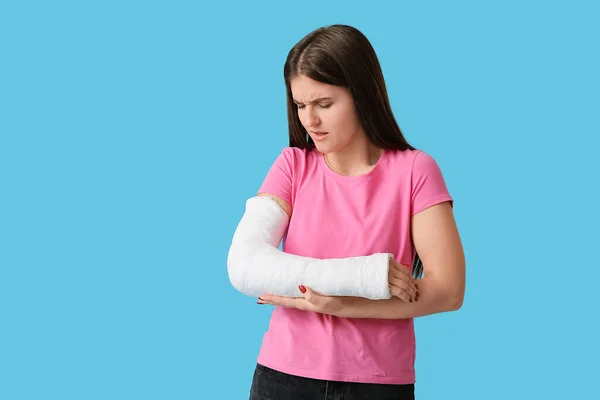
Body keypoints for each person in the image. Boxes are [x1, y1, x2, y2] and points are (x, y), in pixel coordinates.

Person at [228, 24, 466, 400]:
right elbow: (245, 262)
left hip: (377, 382)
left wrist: (344, 304)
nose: (310, 120)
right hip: (283, 376)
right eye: (300, 105)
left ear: (363, 94)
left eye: (324, 104)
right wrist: (364, 277)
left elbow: (449, 290)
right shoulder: (292, 166)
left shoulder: (416, 171)